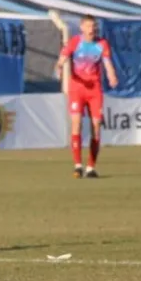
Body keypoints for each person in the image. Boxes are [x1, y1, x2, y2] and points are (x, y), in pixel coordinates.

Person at [54, 14, 119, 178]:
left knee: (96, 127)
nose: (92, 29)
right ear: (82, 27)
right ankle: (77, 165)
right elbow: (62, 59)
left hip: (94, 91)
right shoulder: (75, 42)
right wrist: (59, 67)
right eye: (89, 26)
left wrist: (112, 76)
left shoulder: (102, 44)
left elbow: (107, 63)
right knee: (76, 124)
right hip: (77, 89)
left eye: (94, 26)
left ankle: (91, 167)